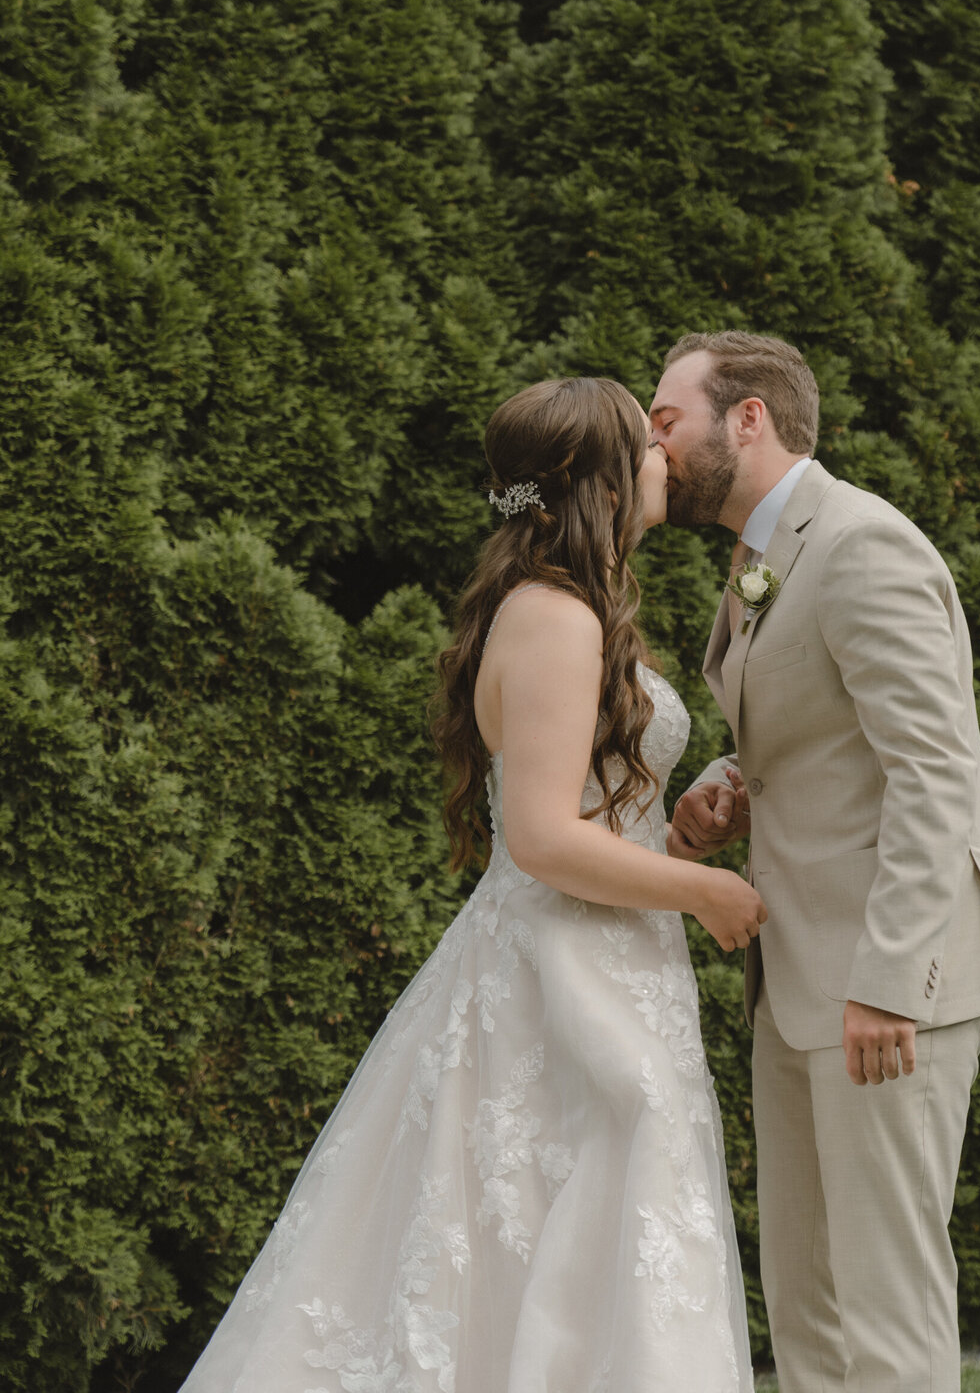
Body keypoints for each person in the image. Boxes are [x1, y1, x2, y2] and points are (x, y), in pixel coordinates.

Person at [179, 376, 764, 1393]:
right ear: (601, 480)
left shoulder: (571, 608)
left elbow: (584, 817)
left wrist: (679, 842)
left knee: (591, 1237)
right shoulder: (555, 616)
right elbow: (538, 837)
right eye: (647, 441)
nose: (665, 457)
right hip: (562, 979)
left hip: (606, 959)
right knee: (556, 1230)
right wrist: (703, 894)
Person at [653, 331, 980, 1393]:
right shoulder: (761, 555)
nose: (654, 441)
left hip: (886, 980)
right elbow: (833, 734)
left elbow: (935, 772)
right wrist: (733, 781)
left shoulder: (865, 543)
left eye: (666, 416)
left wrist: (886, 984)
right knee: (809, 1301)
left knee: (885, 1307)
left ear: (749, 418)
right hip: (798, 976)